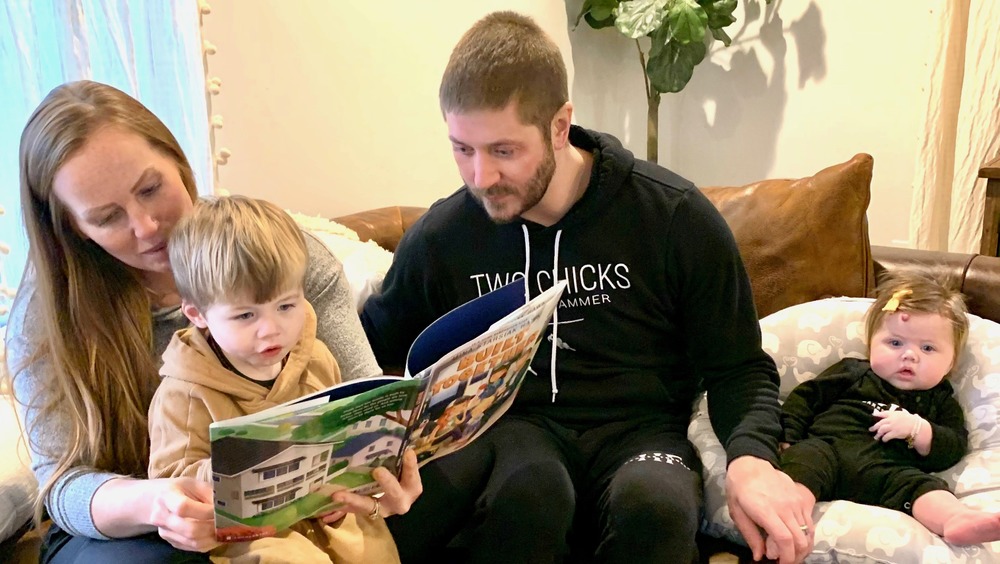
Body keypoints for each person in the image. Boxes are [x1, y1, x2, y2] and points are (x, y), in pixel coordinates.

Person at [361, 11, 811, 564]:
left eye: (504, 151)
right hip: (515, 431)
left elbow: (738, 366)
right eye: (462, 149)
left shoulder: (672, 217)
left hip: (640, 433)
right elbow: (368, 358)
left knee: (656, 511)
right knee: (529, 496)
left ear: (559, 123)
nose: (480, 178)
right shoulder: (443, 237)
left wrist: (752, 460)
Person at [7, 80, 421, 563]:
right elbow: (63, 485)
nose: (145, 227)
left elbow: (364, 399)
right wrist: (158, 502)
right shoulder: (48, 316)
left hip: (296, 503)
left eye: (150, 188)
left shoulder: (282, 255)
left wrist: (389, 466)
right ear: (71, 229)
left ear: (180, 167)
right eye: (106, 217)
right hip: (120, 523)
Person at [147, 195, 407, 563]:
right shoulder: (184, 391)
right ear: (198, 314)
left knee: (373, 548)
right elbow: (172, 483)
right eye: (245, 316)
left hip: (330, 517)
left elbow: (343, 434)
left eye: (286, 306)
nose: (271, 330)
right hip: (255, 537)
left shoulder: (316, 356)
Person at [776, 270, 1000, 549]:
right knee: (802, 465)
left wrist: (920, 430)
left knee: (923, 488)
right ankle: (789, 524)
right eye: (895, 343)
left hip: (889, 471)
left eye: (928, 348)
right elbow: (805, 398)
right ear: (871, 344)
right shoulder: (853, 372)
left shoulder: (940, 401)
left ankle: (956, 520)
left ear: (951, 364)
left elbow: (953, 446)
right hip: (827, 448)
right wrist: (789, 437)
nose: (909, 355)